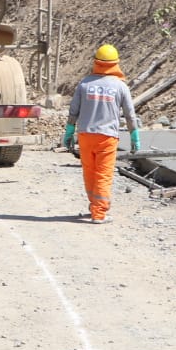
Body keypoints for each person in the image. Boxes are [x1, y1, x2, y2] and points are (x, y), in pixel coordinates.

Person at [64, 43, 140, 224]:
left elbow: (74, 110)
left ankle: (93, 207)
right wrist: (134, 135)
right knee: (103, 174)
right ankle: (99, 214)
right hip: (107, 137)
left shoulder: (84, 84)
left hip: (85, 135)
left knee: (90, 172)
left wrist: (68, 132)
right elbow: (130, 114)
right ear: (116, 64)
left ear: (96, 62)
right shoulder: (120, 86)